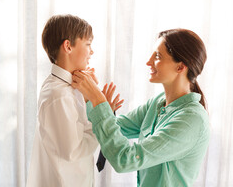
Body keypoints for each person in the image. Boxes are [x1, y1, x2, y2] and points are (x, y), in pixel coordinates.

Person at [71, 29, 210, 187]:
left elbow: (125, 160)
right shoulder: (158, 103)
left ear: (180, 67)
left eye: (157, 56)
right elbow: (114, 128)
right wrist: (94, 102)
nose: (149, 62)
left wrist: (98, 101)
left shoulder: (191, 120)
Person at [26, 14, 99, 187]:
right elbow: (73, 151)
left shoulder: (67, 86)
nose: (92, 51)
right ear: (68, 46)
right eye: (88, 44)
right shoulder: (59, 95)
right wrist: (102, 118)